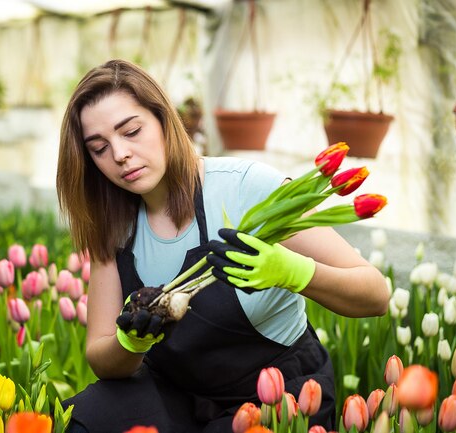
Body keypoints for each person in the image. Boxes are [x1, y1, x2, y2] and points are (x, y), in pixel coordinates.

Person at [57, 59, 389, 433]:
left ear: (164, 120)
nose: (119, 154)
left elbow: (375, 294)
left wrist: (291, 271)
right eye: (99, 148)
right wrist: (130, 341)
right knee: (86, 420)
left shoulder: (245, 188)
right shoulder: (115, 225)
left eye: (131, 131)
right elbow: (100, 357)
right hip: (175, 392)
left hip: (275, 392)